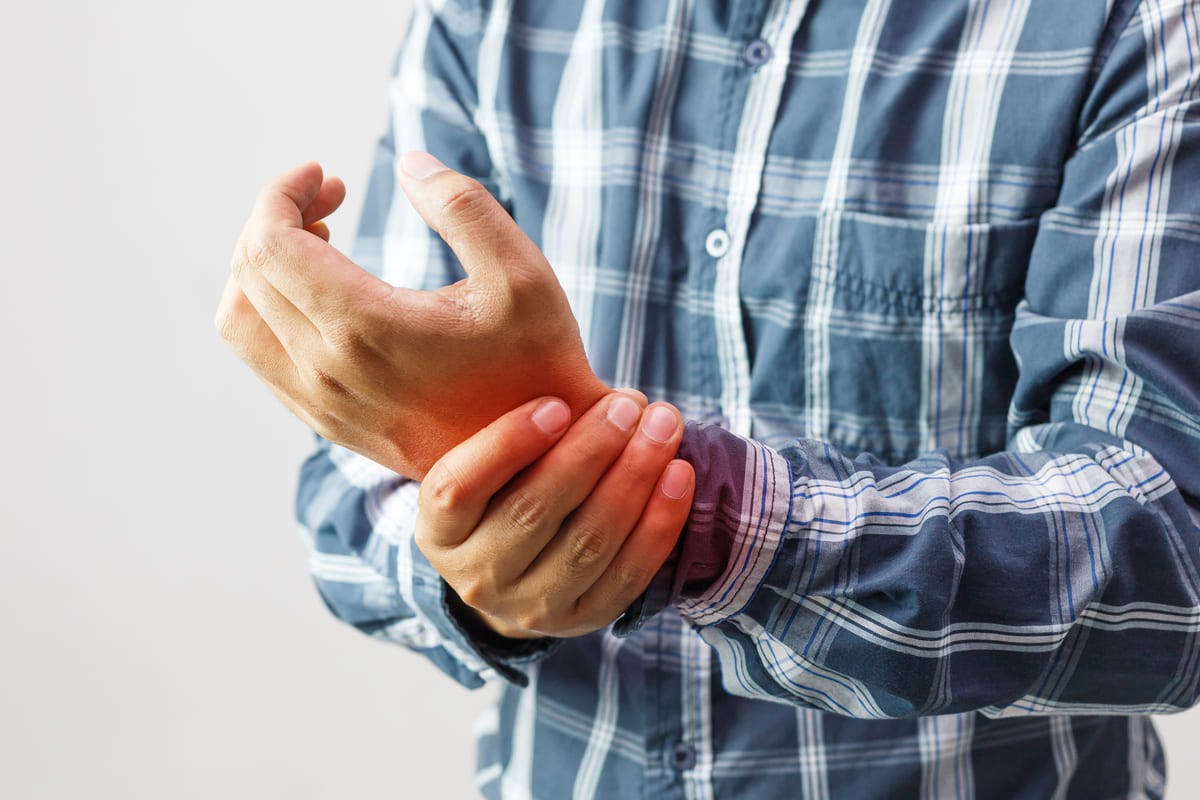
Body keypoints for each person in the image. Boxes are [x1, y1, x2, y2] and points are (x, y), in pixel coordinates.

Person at [216, 0, 1200, 796]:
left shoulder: (1128, 20)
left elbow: (1170, 548)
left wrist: (700, 523)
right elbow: (351, 503)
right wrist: (470, 535)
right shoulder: (485, 19)